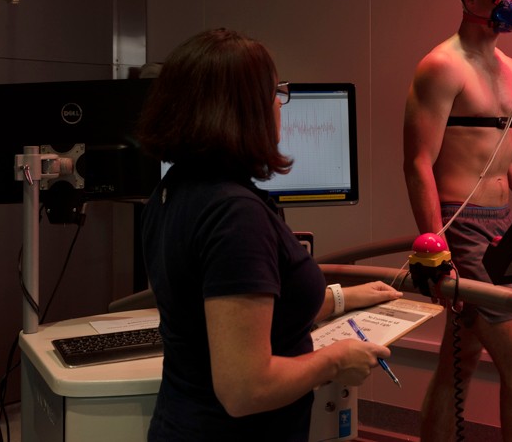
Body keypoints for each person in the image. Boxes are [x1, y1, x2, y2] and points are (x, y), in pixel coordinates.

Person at [136, 28, 402, 442]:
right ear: (247, 109)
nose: (280, 103)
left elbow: (234, 319)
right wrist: (335, 361)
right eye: (275, 92)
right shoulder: (235, 216)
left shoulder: (173, 192)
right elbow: (245, 389)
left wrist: (343, 298)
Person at [403, 0, 512, 441]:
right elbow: (418, 162)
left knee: (457, 367)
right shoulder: (442, 66)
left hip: (501, 223)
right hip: (460, 227)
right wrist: (433, 247)